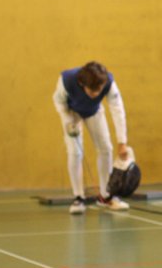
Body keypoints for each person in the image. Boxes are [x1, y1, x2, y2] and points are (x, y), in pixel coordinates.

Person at [52, 61, 131, 215]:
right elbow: (59, 102)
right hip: (71, 112)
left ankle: (106, 196)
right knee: (75, 152)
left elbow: (118, 109)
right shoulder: (67, 80)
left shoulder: (108, 82)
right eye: (91, 90)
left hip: (94, 111)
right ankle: (78, 197)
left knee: (106, 149)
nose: (96, 94)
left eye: (99, 90)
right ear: (82, 84)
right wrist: (68, 120)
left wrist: (122, 142)